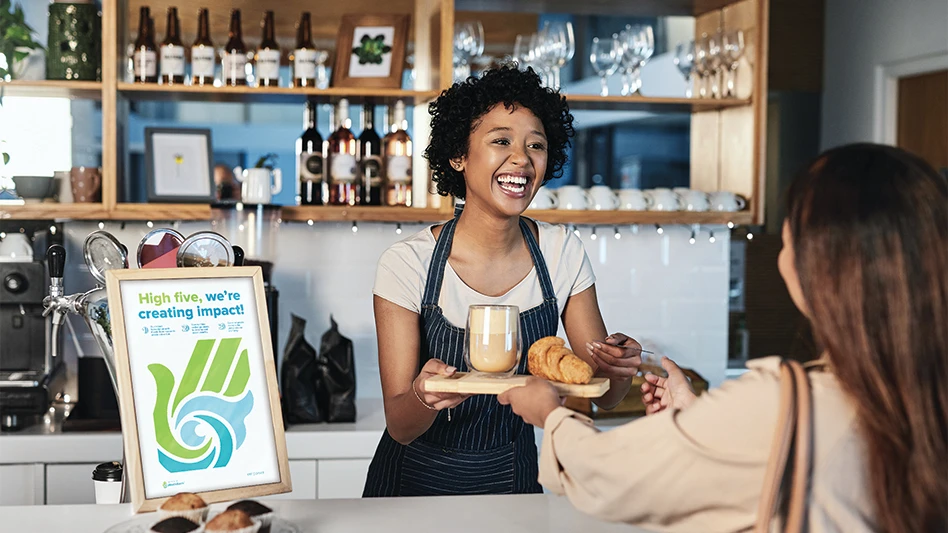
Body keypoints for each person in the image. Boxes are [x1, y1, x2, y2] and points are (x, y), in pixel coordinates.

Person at [499, 143, 948, 532]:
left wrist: (550, 416)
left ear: (823, 268)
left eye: (793, 228)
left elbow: (608, 474)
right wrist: (696, 418)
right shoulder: (921, 393)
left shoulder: (783, 401)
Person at [363, 66, 643, 497]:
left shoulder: (560, 252)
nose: (522, 159)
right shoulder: (408, 264)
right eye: (501, 141)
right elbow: (400, 425)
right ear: (458, 154)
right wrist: (424, 395)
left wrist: (619, 368)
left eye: (536, 145)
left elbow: (599, 395)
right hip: (411, 489)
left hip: (513, 481)